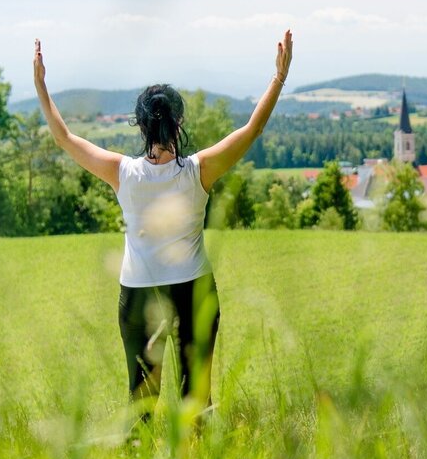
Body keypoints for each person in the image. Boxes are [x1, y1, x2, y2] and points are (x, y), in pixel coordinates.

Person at [33, 31, 293, 417]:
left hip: (139, 294)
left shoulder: (122, 173)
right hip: (194, 291)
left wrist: (40, 85)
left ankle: (141, 455)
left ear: (140, 126)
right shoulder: (199, 170)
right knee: (196, 404)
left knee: (141, 405)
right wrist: (279, 77)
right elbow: (252, 129)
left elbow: (64, 138)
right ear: (179, 121)